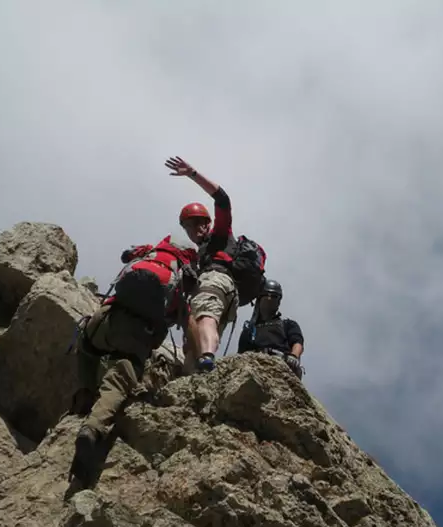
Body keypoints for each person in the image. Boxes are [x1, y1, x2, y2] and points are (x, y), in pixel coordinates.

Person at [68, 233, 197, 486]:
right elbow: (185, 316)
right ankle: (92, 428)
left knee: (86, 346)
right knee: (121, 377)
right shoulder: (185, 272)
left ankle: (84, 394)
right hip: (138, 332)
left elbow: (125, 256)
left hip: (107, 316)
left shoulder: (150, 252)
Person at [165, 156, 266, 373]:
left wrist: (193, 174)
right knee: (195, 339)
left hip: (216, 282)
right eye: (189, 227)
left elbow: (222, 200)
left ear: (207, 223)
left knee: (204, 315)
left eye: (197, 223)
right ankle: (195, 376)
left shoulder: (219, 236)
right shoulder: (201, 254)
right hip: (228, 293)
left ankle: (207, 359)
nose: (194, 230)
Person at [237, 279, 304, 379]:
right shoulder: (250, 330)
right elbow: (241, 355)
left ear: (279, 302)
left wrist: (294, 357)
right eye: (267, 296)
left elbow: (297, 343)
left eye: (274, 297)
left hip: (281, 365)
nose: (270, 299)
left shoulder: (287, 324)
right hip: (254, 365)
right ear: (260, 299)